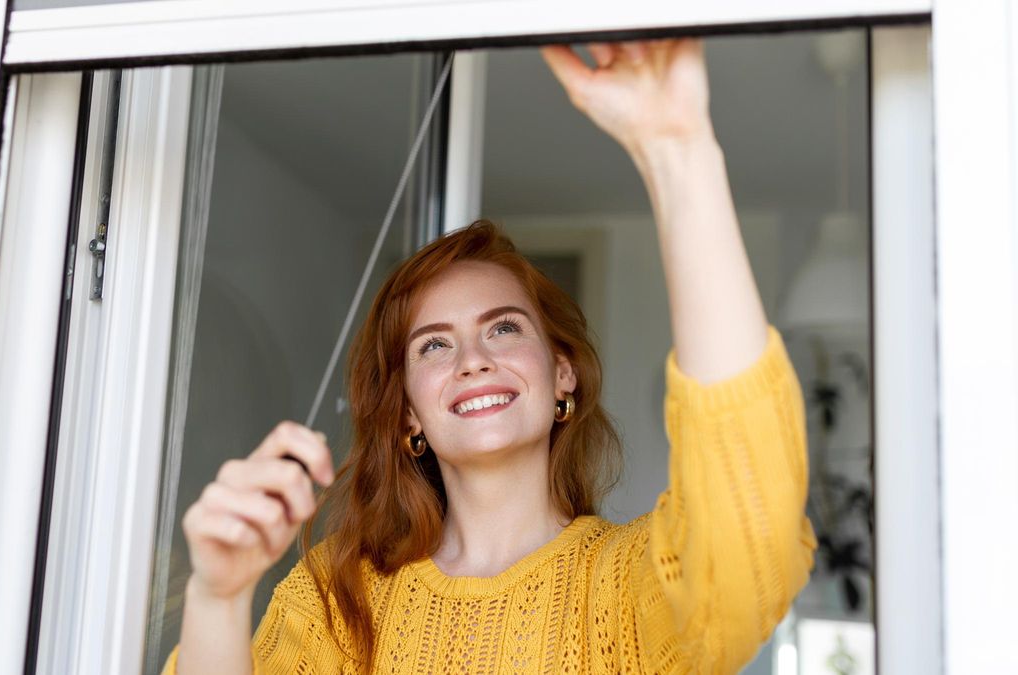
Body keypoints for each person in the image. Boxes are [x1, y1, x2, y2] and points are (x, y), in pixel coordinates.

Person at [166, 38, 816, 674]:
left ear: (563, 373)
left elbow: (748, 527)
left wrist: (678, 149)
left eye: (503, 329)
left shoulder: (632, 586)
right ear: (408, 415)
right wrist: (217, 598)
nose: (472, 358)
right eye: (434, 344)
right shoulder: (337, 599)